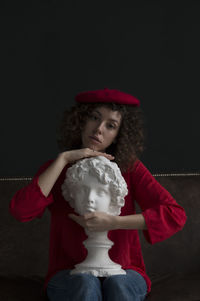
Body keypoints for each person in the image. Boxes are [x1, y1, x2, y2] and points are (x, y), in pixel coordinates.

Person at [9, 88, 187, 301]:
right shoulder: (56, 170)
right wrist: (63, 160)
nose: (99, 129)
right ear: (80, 120)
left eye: (110, 125)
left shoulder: (130, 169)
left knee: (118, 284)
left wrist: (114, 221)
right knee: (85, 283)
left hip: (126, 270)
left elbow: (174, 215)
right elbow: (21, 210)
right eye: (94, 118)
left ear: (119, 134)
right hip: (68, 273)